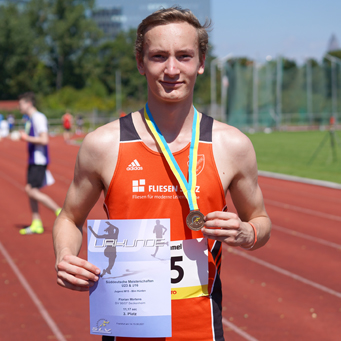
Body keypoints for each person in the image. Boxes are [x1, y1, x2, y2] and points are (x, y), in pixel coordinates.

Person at [53, 6, 271, 341]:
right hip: (126, 324)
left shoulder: (232, 145)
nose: (172, 69)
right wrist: (65, 256)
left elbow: (260, 219)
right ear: (141, 63)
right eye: (158, 56)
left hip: (200, 329)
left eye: (184, 56)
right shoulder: (103, 144)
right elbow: (69, 217)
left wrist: (246, 232)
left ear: (200, 62)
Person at [18, 92, 61, 235]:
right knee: (30, 190)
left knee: (31, 190)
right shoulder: (31, 118)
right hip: (34, 160)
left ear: (28, 103)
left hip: (39, 160)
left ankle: (59, 211)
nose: (19, 107)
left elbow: (44, 140)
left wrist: (26, 138)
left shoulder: (38, 118)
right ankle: (36, 222)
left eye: (21, 104)